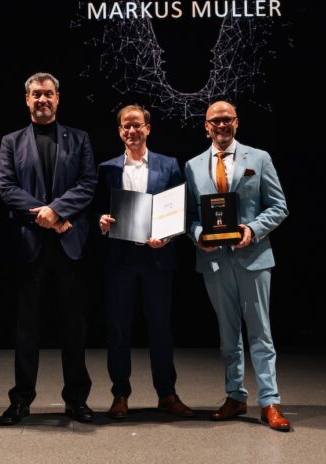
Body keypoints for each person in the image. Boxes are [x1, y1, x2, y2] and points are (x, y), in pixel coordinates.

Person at [0, 72, 98, 425]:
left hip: (69, 247)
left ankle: (76, 401)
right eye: (36, 94)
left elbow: (88, 184)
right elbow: (6, 187)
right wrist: (47, 216)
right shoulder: (11, 142)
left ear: (58, 97)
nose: (42, 100)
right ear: (27, 99)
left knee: (74, 327)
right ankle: (21, 400)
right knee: (26, 330)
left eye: (48, 94)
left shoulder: (79, 138)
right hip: (30, 247)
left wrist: (58, 211)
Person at [184, 101, 291, 431]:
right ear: (206, 126)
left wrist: (252, 229)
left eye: (226, 119)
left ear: (236, 123)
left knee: (260, 332)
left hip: (253, 258)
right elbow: (189, 216)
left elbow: (278, 206)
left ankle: (269, 401)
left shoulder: (258, 158)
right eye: (215, 120)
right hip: (214, 261)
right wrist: (199, 233)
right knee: (228, 336)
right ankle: (235, 395)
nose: (221, 125)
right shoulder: (192, 165)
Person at [96, 104, 193, 419]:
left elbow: (180, 211)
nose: (131, 131)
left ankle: (167, 394)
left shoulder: (169, 165)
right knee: (118, 331)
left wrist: (167, 237)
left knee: (161, 329)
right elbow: (96, 210)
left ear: (148, 128)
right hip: (120, 259)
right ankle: (120, 395)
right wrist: (102, 221)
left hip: (157, 258)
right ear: (119, 131)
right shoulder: (106, 168)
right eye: (125, 126)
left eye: (137, 125)